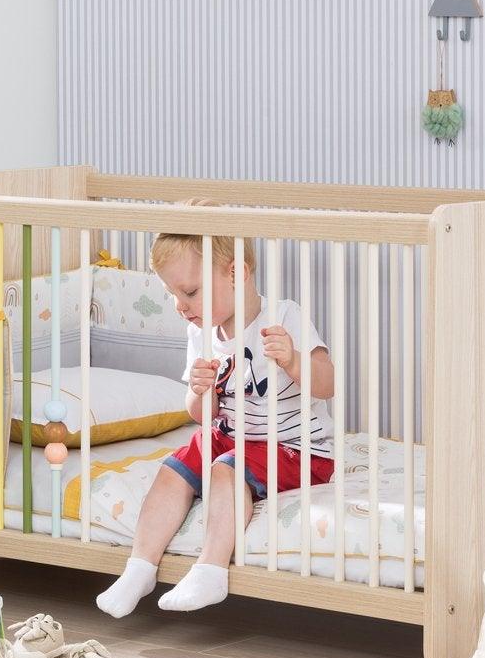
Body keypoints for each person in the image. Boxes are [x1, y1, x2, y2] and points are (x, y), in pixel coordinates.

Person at [94, 218, 337, 617]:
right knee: (175, 467)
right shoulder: (201, 333)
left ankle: (210, 570)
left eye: (189, 292)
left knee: (226, 468)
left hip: (296, 448)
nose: (180, 305)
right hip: (233, 437)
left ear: (236, 274)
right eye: (172, 294)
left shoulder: (284, 317)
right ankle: (140, 568)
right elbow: (200, 415)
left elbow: (327, 384)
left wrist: (293, 360)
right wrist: (199, 391)